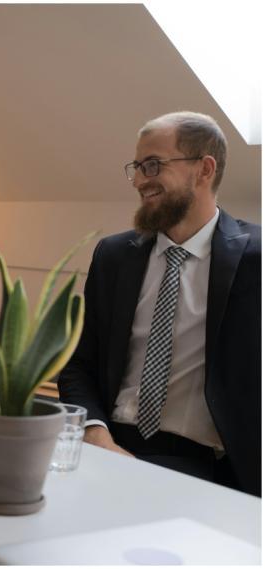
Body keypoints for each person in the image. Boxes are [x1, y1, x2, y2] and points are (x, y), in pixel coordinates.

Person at [58, 111, 260, 496]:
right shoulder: (114, 255)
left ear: (204, 169)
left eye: (152, 166)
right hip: (108, 448)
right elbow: (78, 365)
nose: (138, 181)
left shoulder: (257, 260)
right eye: (136, 167)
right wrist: (96, 436)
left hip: (210, 471)